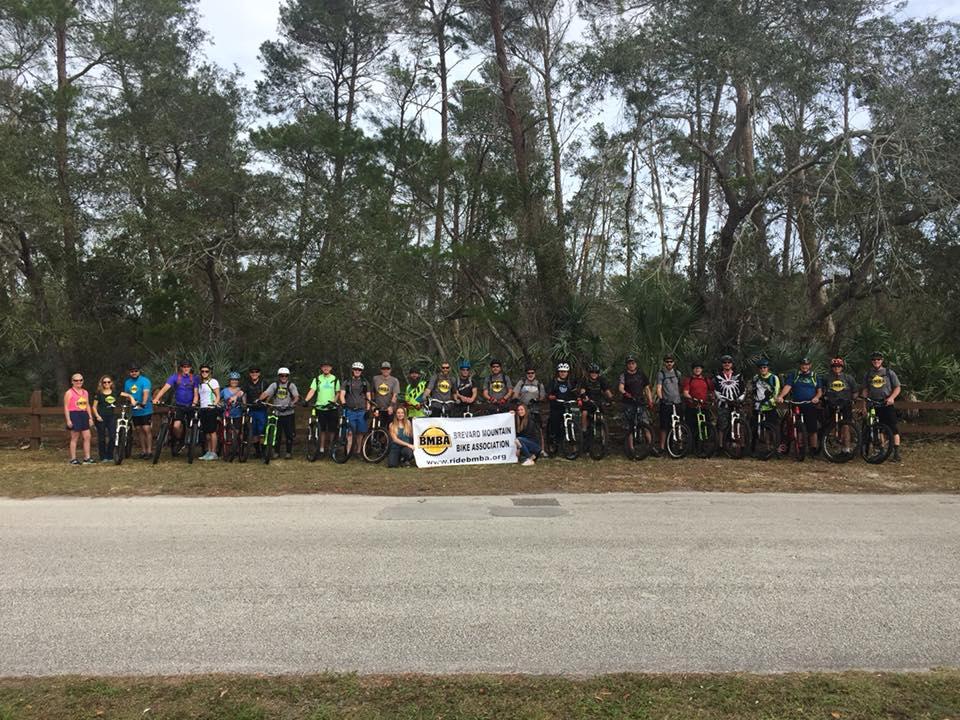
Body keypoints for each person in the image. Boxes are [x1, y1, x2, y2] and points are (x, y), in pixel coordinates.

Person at [776, 356, 824, 456]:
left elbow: (819, 391)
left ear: (810, 365)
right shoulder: (794, 375)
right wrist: (781, 396)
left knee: (812, 428)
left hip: (809, 404)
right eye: (803, 365)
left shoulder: (814, 376)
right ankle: (800, 446)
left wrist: (816, 398)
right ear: (800, 366)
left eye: (806, 365)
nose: (805, 367)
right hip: (796, 403)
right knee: (797, 426)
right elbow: (787, 387)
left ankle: (813, 449)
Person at [861, 351, 902, 461]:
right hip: (873, 403)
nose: (876, 361)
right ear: (871, 361)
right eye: (874, 360)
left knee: (893, 428)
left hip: (886, 403)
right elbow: (865, 390)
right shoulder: (868, 374)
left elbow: (897, 387)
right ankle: (882, 450)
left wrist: (892, 397)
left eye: (878, 359)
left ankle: (896, 452)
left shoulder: (889, 372)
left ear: (882, 361)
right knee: (878, 428)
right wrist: (864, 405)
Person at [153, 360, 199, 449]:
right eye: (184, 367)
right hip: (179, 405)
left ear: (190, 368)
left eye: (188, 367)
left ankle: (190, 441)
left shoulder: (194, 378)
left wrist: (194, 403)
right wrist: (156, 398)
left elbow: (196, 393)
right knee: (176, 426)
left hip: (190, 405)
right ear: (181, 368)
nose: (186, 368)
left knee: (192, 426)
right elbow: (164, 389)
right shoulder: (174, 377)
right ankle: (179, 440)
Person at [260, 367, 299, 459]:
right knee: (277, 434)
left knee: (289, 434)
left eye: (285, 376)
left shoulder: (291, 385)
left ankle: (288, 452)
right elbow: (266, 393)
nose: (283, 377)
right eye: (282, 375)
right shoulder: (274, 385)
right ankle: (276, 452)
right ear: (279, 376)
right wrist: (259, 399)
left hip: (289, 413)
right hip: (277, 413)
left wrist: (292, 403)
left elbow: (296, 396)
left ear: (288, 376)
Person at [303, 361, 340, 458]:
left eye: (327, 367)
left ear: (331, 368)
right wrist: (306, 400)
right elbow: (312, 390)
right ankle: (321, 448)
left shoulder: (335, 379)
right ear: (321, 368)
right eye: (324, 367)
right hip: (320, 407)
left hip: (332, 408)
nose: (326, 368)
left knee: (332, 429)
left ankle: (331, 448)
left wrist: (333, 402)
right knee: (322, 429)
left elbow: (338, 392)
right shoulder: (317, 379)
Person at [618, 355, 654, 452]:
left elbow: (647, 388)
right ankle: (631, 448)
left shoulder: (641, 374)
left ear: (636, 364)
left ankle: (651, 447)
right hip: (628, 403)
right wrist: (625, 393)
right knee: (629, 426)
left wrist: (650, 400)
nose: (631, 365)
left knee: (645, 424)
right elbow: (621, 388)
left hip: (640, 402)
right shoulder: (624, 375)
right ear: (627, 365)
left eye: (633, 363)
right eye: (629, 363)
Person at [92, 375, 132, 462]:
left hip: (111, 417)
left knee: (113, 436)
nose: (107, 384)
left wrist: (132, 398)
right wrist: (97, 416)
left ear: (111, 383)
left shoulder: (115, 392)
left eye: (108, 382)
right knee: (101, 438)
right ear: (102, 383)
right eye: (105, 382)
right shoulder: (98, 394)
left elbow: (127, 395)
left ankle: (110, 455)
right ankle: (103, 457)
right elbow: (94, 407)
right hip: (101, 417)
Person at [823, 357, 858, 455]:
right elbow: (822, 389)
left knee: (846, 426)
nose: (836, 368)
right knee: (831, 425)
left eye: (838, 366)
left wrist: (853, 400)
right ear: (831, 367)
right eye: (834, 366)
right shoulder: (826, 378)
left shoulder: (848, 378)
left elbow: (855, 391)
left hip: (845, 404)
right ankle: (831, 446)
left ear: (842, 367)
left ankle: (846, 449)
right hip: (831, 404)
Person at [338, 361, 371, 457]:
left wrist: (368, 409)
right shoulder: (347, 382)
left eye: (359, 370)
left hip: (361, 410)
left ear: (361, 371)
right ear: (353, 370)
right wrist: (343, 403)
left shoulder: (365, 383)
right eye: (356, 369)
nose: (357, 371)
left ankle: (358, 451)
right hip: (350, 410)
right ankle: (348, 452)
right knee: (350, 432)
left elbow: (368, 396)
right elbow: (342, 394)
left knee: (360, 433)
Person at [514, 366, 547, 453]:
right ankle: (521, 449)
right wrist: (517, 400)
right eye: (528, 373)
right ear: (526, 374)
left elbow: (542, 397)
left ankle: (542, 449)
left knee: (539, 429)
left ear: (535, 374)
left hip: (535, 408)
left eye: (532, 373)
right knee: (522, 428)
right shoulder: (522, 382)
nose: (530, 374)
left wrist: (537, 400)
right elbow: (515, 394)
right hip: (523, 409)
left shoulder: (539, 383)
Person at [546, 362, 579, 450]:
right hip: (556, 406)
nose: (563, 373)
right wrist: (551, 396)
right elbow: (548, 393)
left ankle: (572, 443)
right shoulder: (553, 382)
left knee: (573, 423)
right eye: (561, 371)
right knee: (555, 423)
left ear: (568, 373)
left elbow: (575, 393)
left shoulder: (571, 382)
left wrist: (578, 398)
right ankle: (553, 441)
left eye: (565, 371)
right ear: (558, 372)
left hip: (567, 406)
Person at [64, 372, 95, 465]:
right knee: (75, 437)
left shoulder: (85, 392)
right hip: (74, 414)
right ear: (72, 382)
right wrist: (68, 420)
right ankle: (73, 459)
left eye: (80, 380)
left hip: (84, 414)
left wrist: (90, 417)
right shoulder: (69, 393)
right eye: (76, 380)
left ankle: (87, 458)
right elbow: (66, 407)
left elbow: (87, 405)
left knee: (87, 436)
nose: (78, 382)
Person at [123, 364, 152, 459]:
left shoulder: (145, 381)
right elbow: (127, 394)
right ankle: (143, 451)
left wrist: (143, 403)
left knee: (146, 429)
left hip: (145, 409)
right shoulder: (127, 382)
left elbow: (146, 393)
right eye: (132, 371)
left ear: (139, 371)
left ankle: (149, 451)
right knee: (139, 430)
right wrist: (129, 401)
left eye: (136, 371)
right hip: (135, 410)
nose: (134, 373)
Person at [713, 354, 745, 441]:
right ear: (722, 364)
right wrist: (726, 400)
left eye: (729, 362)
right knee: (722, 426)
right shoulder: (717, 377)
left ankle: (741, 445)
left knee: (740, 424)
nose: (727, 364)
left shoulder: (738, 376)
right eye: (724, 362)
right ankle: (720, 446)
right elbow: (716, 391)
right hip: (723, 405)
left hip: (737, 403)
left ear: (732, 364)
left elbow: (743, 390)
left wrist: (739, 399)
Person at [655, 355, 683, 454]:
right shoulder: (661, 374)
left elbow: (680, 387)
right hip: (666, 403)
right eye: (667, 361)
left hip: (677, 402)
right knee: (664, 426)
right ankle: (662, 447)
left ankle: (680, 445)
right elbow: (659, 388)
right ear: (664, 363)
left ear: (674, 363)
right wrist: (661, 398)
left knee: (678, 425)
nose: (669, 363)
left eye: (671, 361)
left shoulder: (677, 373)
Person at [681, 360, 714, 432]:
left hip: (704, 407)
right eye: (695, 368)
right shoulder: (689, 380)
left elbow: (712, 392)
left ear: (702, 369)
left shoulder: (706, 380)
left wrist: (711, 398)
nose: (697, 370)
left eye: (699, 368)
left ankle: (706, 442)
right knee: (692, 429)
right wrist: (692, 399)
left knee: (706, 428)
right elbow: (685, 392)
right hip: (692, 407)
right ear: (693, 369)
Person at [196, 364, 221, 460]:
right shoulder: (200, 383)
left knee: (212, 431)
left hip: (211, 408)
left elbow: (218, 395)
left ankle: (214, 452)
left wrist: (214, 404)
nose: (204, 373)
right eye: (202, 371)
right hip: (203, 408)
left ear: (210, 372)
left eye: (206, 371)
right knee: (206, 432)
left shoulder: (213, 382)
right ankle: (208, 451)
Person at [243, 366, 267, 458]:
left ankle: (264, 451)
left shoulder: (264, 383)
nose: (254, 373)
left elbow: (268, 393)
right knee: (253, 431)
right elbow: (243, 393)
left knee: (262, 431)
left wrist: (267, 402)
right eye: (252, 372)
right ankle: (257, 452)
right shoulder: (247, 383)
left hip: (261, 409)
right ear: (250, 374)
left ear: (259, 373)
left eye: (256, 372)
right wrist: (244, 404)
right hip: (251, 409)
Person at [220, 372, 246, 452]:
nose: (234, 381)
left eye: (236, 380)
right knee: (228, 431)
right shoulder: (224, 390)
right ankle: (228, 449)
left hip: (238, 414)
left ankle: (237, 448)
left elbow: (244, 402)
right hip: (227, 414)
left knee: (237, 432)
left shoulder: (241, 391)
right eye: (232, 380)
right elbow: (218, 399)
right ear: (229, 381)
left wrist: (244, 405)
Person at [372, 361, 400, 428]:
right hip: (378, 408)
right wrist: (373, 404)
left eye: (387, 369)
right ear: (381, 370)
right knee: (375, 428)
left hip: (389, 409)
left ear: (390, 370)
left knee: (389, 429)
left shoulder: (394, 380)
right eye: (384, 369)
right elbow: (372, 392)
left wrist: (391, 406)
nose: (385, 370)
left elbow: (395, 395)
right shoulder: (375, 379)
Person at [513, 401, 541, 466]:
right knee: (518, 440)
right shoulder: (518, 420)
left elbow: (527, 436)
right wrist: (511, 414)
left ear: (525, 410)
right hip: (526, 443)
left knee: (518, 440)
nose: (520, 411)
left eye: (522, 409)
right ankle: (528, 457)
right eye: (518, 410)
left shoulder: (530, 420)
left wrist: (519, 448)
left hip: (534, 446)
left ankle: (529, 458)